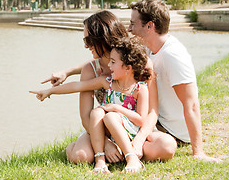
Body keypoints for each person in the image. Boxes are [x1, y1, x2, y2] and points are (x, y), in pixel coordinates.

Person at [42, 12, 175, 164]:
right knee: (81, 156)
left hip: (134, 128)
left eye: (88, 40)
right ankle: (88, 148)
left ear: (102, 38)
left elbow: (152, 111)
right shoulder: (91, 70)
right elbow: (86, 117)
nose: (85, 45)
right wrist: (106, 144)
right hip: (103, 129)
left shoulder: (140, 63)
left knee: (167, 147)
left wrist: (139, 141)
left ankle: (128, 152)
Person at [31, 37, 151, 173]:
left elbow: (141, 119)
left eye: (113, 62)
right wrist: (50, 91)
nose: (109, 66)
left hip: (128, 131)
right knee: (97, 112)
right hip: (106, 131)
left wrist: (116, 108)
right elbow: (78, 86)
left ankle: (132, 158)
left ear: (128, 68)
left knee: (110, 116)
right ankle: (100, 161)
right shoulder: (107, 82)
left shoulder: (140, 89)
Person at [128, 0, 221, 162]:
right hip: (155, 119)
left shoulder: (173, 55)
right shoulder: (147, 48)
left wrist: (198, 152)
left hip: (170, 130)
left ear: (150, 26)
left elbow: (191, 104)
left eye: (133, 24)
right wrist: (70, 72)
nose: (129, 29)